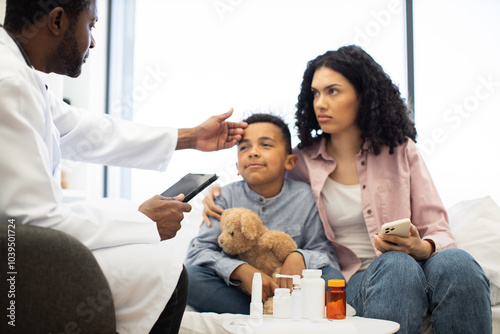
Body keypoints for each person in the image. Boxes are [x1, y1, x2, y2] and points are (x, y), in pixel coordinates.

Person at [202, 46, 492, 333]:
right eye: (315, 93)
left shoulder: (401, 150)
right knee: (396, 266)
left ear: (363, 96)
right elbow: (259, 176)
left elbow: (438, 228)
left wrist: (423, 246)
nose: (320, 103)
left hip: (418, 264)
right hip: (354, 281)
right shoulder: (301, 160)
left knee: (458, 262)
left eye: (333, 91)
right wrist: (214, 193)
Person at [0, 1, 247, 333]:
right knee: (161, 272)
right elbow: (31, 222)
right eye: (91, 25)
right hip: (15, 263)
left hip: (22, 249)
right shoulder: (9, 82)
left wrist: (190, 137)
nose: (93, 41)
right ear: (58, 20)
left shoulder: (18, 73)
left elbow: (88, 131)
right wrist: (142, 221)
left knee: (152, 266)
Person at [185, 113, 340, 314]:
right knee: (189, 277)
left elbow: (323, 253)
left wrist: (299, 256)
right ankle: (269, 315)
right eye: (244, 148)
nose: (253, 152)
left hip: (288, 290)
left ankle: (276, 310)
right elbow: (198, 252)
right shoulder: (225, 197)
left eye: (265, 145)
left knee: (333, 278)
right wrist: (239, 270)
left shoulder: (305, 197)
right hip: (238, 292)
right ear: (237, 167)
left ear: (290, 161)